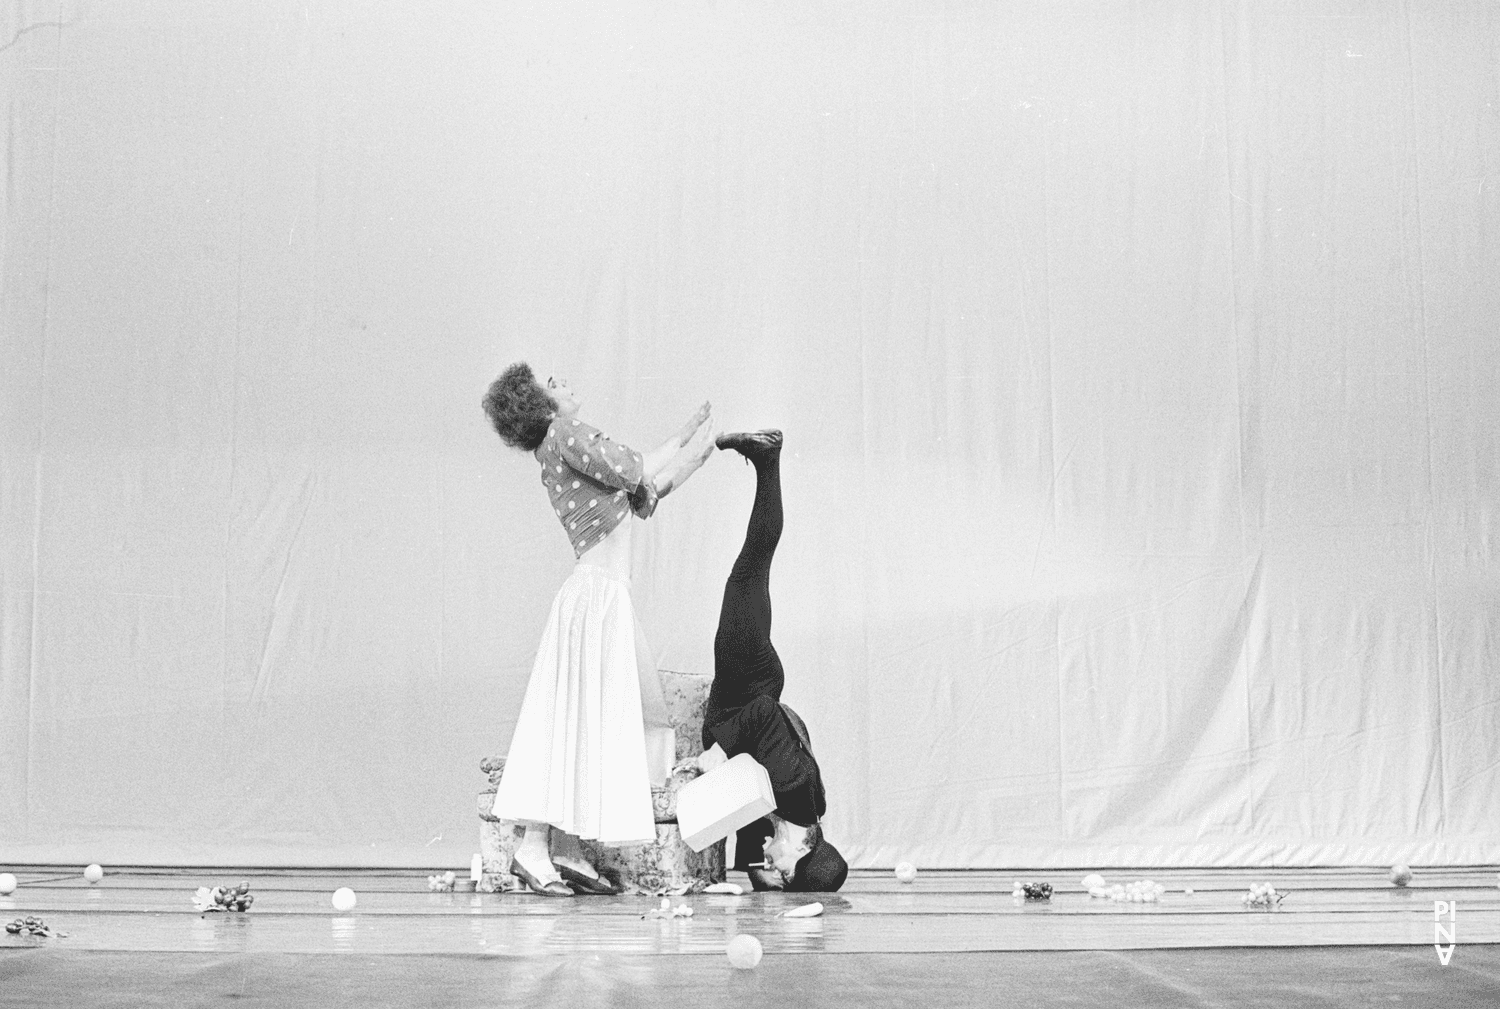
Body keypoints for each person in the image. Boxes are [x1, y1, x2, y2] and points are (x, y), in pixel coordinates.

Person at [481, 362, 716, 895]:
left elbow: (643, 487)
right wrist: (695, 447)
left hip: (601, 596)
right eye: (552, 384)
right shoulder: (565, 434)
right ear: (542, 406)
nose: (562, 381)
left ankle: (563, 847)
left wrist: (689, 443)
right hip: (596, 597)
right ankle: (535, 845)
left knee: (582, 720)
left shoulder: (560, 449)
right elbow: (636, 470)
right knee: (577, 718)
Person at [679, 429, 848, 892]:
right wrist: (720, 750)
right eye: (784, 868)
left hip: (750, 679)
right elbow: (765, 715)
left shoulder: (802, 806)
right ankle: (768, 460)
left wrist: (761, 877)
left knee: (751, 569)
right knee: (753, 564)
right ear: (803, 847)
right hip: (748, 676)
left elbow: (755, 805)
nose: (775, 865)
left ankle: (767, 461)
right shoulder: (792, 787)